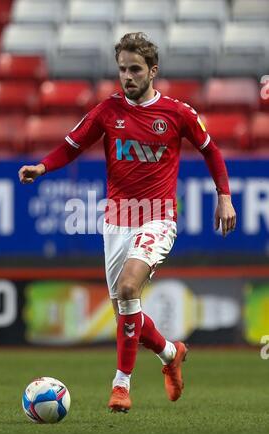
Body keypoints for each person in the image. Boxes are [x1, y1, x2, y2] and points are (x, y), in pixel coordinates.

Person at [19, 32, 236, 412]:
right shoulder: (107, 111)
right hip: (117, 220)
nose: (127, 77)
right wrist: (42, 166)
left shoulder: (177, 113)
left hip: (158, 217)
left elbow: (211, 151)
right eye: (122, 70)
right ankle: (171, 353)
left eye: (135, 69)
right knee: (125, 302)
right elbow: (72, 145)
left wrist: (225, 197)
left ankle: (121, 386)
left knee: (128, 286)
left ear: (153, 71)